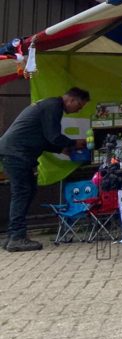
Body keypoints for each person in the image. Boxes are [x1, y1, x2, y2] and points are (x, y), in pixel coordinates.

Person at [0, 87, 90, 251]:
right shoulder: (53, 107)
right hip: (16, 154)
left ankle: (14, 235)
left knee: (27, 191)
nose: (79, 109)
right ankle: (17, 237)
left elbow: (43, 138)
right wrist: (73, 143)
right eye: (79, 105)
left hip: (14, 153)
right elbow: (53, 136)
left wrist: (61, 149)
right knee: (22, 192)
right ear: (71, 100)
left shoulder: (49, 106)